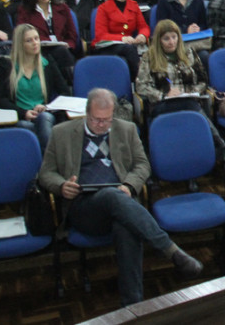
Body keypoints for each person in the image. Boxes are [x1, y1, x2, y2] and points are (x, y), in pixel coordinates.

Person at [38, 88, 203, 307]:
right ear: (86, 113)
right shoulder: (62, 133)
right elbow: (45, 173)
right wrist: (61, 186)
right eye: (96, 120)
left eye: (107, 120)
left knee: (126, 225)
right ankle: (171, 250)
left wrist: (129, 185)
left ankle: (133, 306)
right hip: (84, 208)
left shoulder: (127, 130)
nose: (101, 125)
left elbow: (143, 165)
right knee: (111, 196)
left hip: (122, 202)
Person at [0, 24, 69, 152]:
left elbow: (65, 91)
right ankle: (50, 162)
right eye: (29, 40)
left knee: (44, 118)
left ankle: (47, 163)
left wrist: (47, 107)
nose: (35, 43)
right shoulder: (6, 66)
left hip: (44, 114)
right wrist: (24, 113)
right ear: (20, 45)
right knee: (26, 127)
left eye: (36, 38)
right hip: (20, 117)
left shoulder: (47, 63)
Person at [135, 19, 209, 119]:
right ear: (159, 41)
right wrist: (163, 95)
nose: (172, 42)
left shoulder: (189, 52)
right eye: (166, 39)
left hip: (190, 99)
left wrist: (190, 92)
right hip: (162, 103)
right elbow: (141, 86)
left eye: (174, 37)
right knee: (191, 107)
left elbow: (203, 80)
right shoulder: (149, 57)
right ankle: (213, 134)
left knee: (191, 105)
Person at [16, 0, 77, 77]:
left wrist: (68, 44)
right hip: (39, 50)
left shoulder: (62, 7)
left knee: (62, 52)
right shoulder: (25, 11)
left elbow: (72, 34)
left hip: (63, 49)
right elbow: (23, 34)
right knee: (58, 55)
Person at [92, 0, 149, 80]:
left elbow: (144, 27)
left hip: (129, 44)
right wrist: (122, 38)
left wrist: (142, 35)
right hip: (108, 46)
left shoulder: (133, 5)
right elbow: (101, 35)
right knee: (129, 50)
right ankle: (139, 80)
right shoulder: (103, 8)